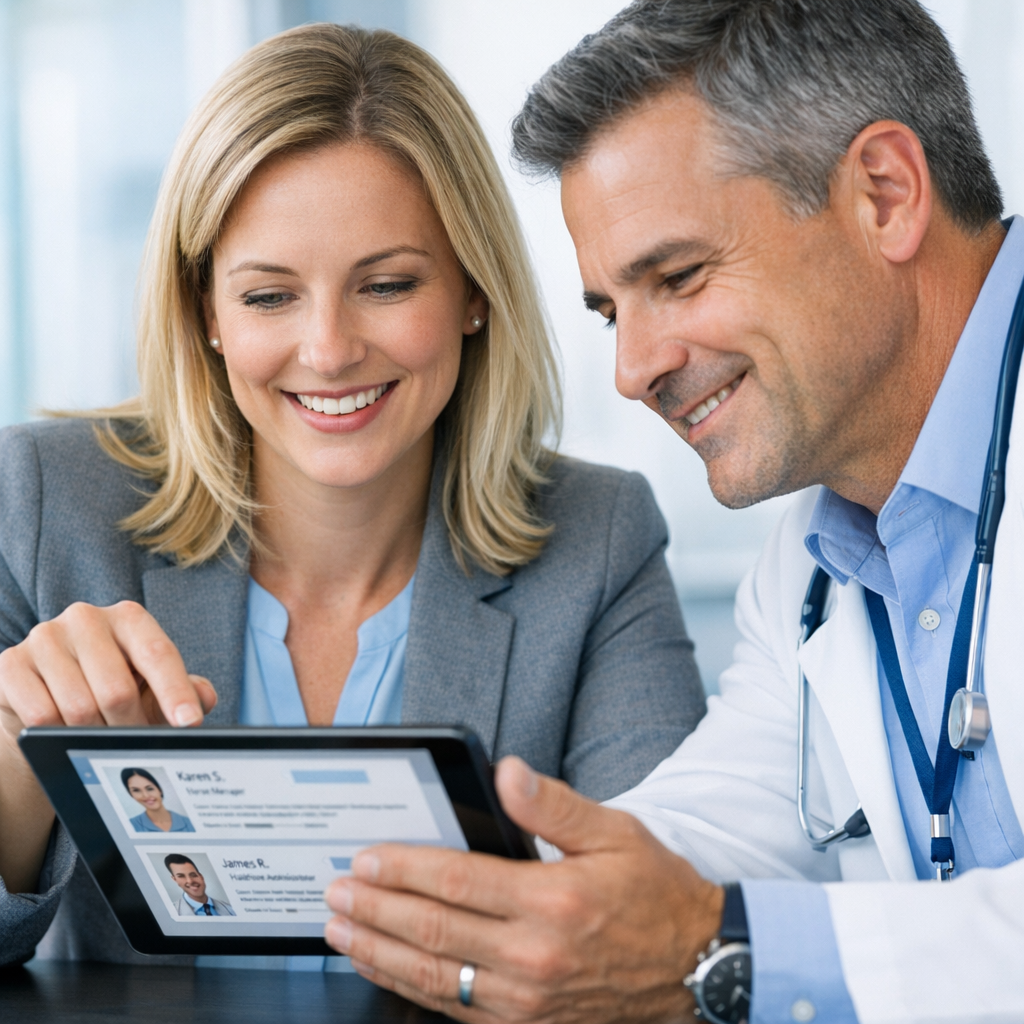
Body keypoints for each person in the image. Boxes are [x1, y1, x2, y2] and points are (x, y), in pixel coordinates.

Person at [318, 2, 1024, 1022]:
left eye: (678, 276)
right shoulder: (816, 569)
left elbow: (695, 927)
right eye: (611, 309)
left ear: (883, 194)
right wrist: (480, 893)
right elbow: (699, 834)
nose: (632, 367)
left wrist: (717, 949)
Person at [0, 24, 705, 968]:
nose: (328, 349)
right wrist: (22, 755)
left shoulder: (598, 542)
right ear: (205, 310)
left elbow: (663, 930)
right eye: (267, 297)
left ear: (473, 292)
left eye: (385, 284)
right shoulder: (41, 504)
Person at [121, 768, 195, 833]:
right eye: (136, 790)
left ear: (160, 790)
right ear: (131, 795)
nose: (146, 795)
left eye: (150, 789)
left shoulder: (190, 823)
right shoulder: (129, 826)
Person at [164, 856, 235, 918]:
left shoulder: (231, 908)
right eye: (181, 876)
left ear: (201, 876)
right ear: (175, 879)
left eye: (193, 875)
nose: (190, 881)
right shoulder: (170, 913)